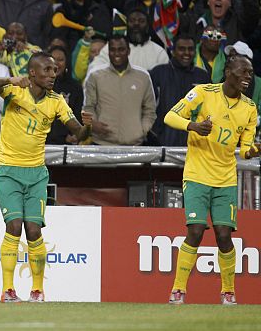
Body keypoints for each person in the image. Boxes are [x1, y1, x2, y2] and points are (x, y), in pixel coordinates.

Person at [0, 51, 92, 302]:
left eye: (54, 70)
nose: (53, 75)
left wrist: (88, 127)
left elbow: (78, 133)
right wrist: (12, 80)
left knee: (33, 230)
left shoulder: (56, 101)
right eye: (47, 70)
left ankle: (37, 289)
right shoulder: (15, 91)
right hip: (8, 170)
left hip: (36, 174)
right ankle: (8, 289)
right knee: (14, 226)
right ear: (32, 73)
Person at [165, 55, 261, 306]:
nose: (248, 77)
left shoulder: (250, 108)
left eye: (251, 73)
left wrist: (252, 151)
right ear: (228, 70)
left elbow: (246, 148)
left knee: (223, 235)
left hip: (226, 178)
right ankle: (178, 290)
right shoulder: (202, 92)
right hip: (197, 175)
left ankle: (228, 292)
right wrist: (194, 126)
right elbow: (169, 117)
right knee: (195, 231)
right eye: (244, 71)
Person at [84, 35, 156, 146]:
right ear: (108, 52)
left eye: (121, 49)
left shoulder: (143, 77)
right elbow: (88, 107)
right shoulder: (95, 76)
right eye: (112, 50)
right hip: (102, 144)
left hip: (134, 145)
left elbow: (150, 110)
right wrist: (93, 124)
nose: (116, 53)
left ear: (128, 51)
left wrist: (141, 131)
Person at [150, 34, 211, 146]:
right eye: (182, 49)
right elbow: (148, 107)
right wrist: (155, 134)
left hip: (194, 142)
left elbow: (210, 110)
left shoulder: (203, 76)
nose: (186, 53)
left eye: (190, 49)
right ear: (173, 51)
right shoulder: (158, 73)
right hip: (162, 141)